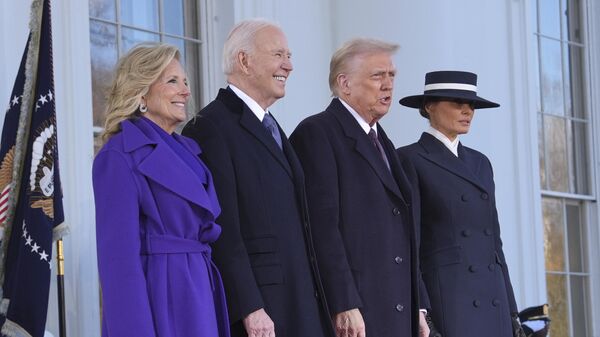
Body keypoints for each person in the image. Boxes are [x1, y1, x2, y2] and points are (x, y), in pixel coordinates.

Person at [182, 19, 333, 337]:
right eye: (279, 54)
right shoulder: (210, 127)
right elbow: (223, 227)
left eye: (289, 55)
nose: (289, 66)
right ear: (244, 60)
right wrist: (249, 306)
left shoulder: (273, 125)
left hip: (302, 299)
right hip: (264, 310)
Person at [290, 38, 429, 337]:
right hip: (357, 315)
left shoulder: (385, 143)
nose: (388, 85)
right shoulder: (317, 134)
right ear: (345, 83)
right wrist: (343, 302)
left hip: (398, 312)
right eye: (377, 76)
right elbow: (321, 229)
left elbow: (404, 234)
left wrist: (419, 305)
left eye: (392, 76)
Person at [93, 43, 229, 337]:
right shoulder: (118, 155)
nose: (185, 91)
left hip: (199, 293)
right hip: (161, 299)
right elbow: (118, 264)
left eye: (186, 82)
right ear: (141, 93)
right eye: (172, 81)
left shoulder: (189, 153)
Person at [396, 70, 526, 337]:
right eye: (457, 103)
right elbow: (410, 242)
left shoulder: (481, 163)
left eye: (472, 105)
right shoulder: (410, 158)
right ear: (429, 106)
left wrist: (512, 310)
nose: (467, 111)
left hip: (493, 299)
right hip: (450, 300)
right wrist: (421, 308)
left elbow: (495, 244)